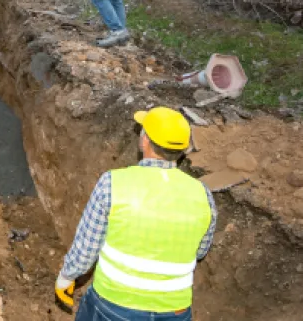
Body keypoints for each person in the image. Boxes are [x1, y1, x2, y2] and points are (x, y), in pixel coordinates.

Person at [54, 107, 216, 321]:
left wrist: (66, 277)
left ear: (144, 141)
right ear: (184, 149)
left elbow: (86, 250)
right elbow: (200, 251)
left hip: (114, 305)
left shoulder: (112, 184)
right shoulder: (203, 194)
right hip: (174, 311)